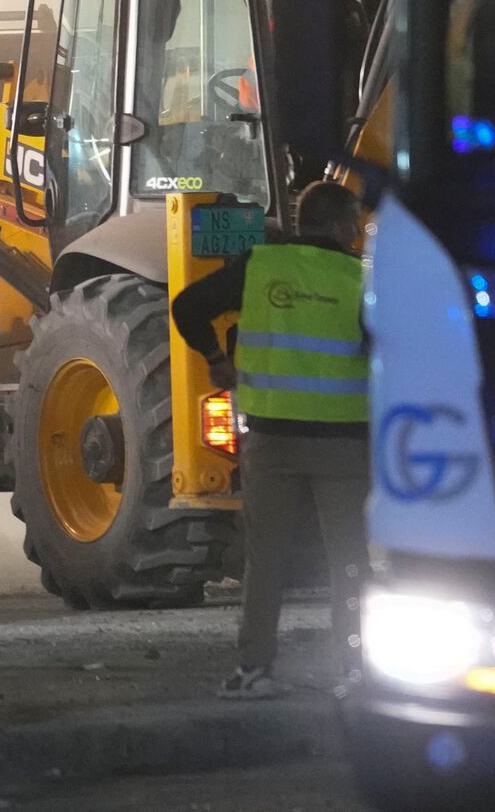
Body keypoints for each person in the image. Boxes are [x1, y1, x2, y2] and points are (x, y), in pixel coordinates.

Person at [170, 181, 369, 699]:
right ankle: (356, 669)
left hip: (271, 440)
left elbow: (188, 306)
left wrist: (216, 359)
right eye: (354, 221)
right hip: (344, 443)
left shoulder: (258, 266)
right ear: (341, 225)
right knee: (349, 558)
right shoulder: (360, 279)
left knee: (266, 559)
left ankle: (254, 669)